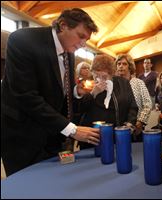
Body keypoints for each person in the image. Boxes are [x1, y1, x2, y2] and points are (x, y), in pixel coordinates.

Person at [1, 8, 100, 176]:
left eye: (87, 39)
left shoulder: (68, 52)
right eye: (81, 36)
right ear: (63, 25)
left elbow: (55, 92)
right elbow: (26, 96)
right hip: (23, 137)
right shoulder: (22, 40)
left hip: (52, 135)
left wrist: (76, 92)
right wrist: (72, 130)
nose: (83, 43)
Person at [77, 54, 138, 135]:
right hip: (95, 134)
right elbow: (79, 109)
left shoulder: (123, 83)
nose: (100, 79)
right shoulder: (86, 85)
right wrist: (93, 94)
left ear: (112, 74)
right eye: (96, 76)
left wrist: (130, 123)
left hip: (119, 133)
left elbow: (132, 105)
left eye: (104, 76)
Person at [115, 54, 152, 140]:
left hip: (136, 127)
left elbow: (147, 103)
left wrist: (140, 122)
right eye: (118, 63)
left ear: (130, 67)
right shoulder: (113, 84)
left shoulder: (138, 83)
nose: (121, 66)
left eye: (124, 64)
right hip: (119, 128)